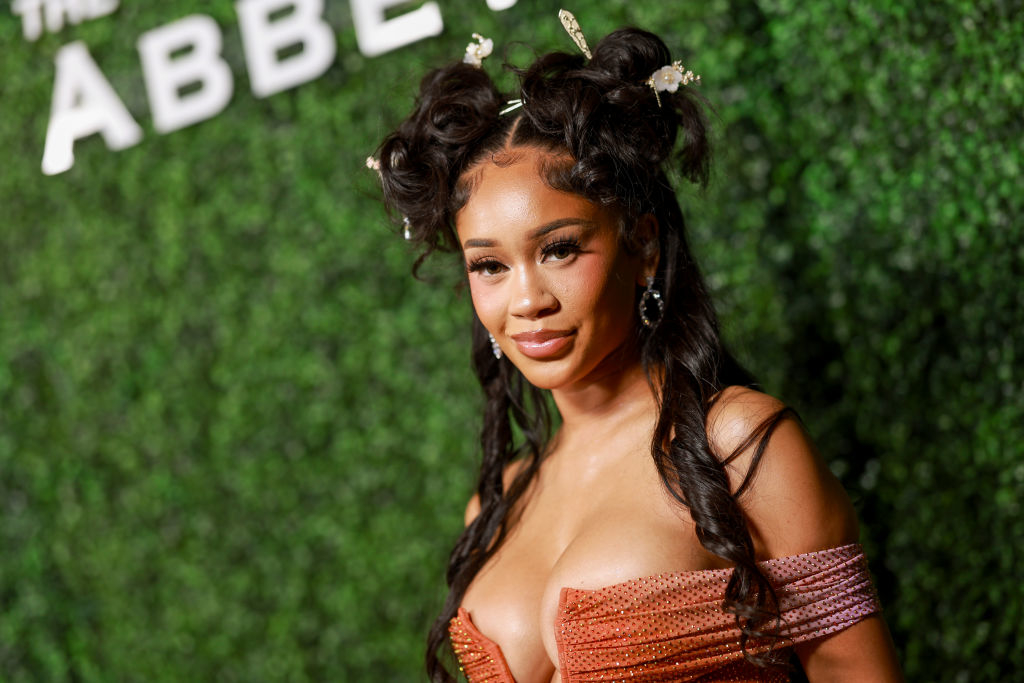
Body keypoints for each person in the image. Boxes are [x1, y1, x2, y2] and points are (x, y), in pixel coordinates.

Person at [372, 11, 902, 683]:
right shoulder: (497, 501)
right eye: (490, 266)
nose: (527, 299)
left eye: (559, 249)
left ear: (643, 245)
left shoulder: (737, 444)